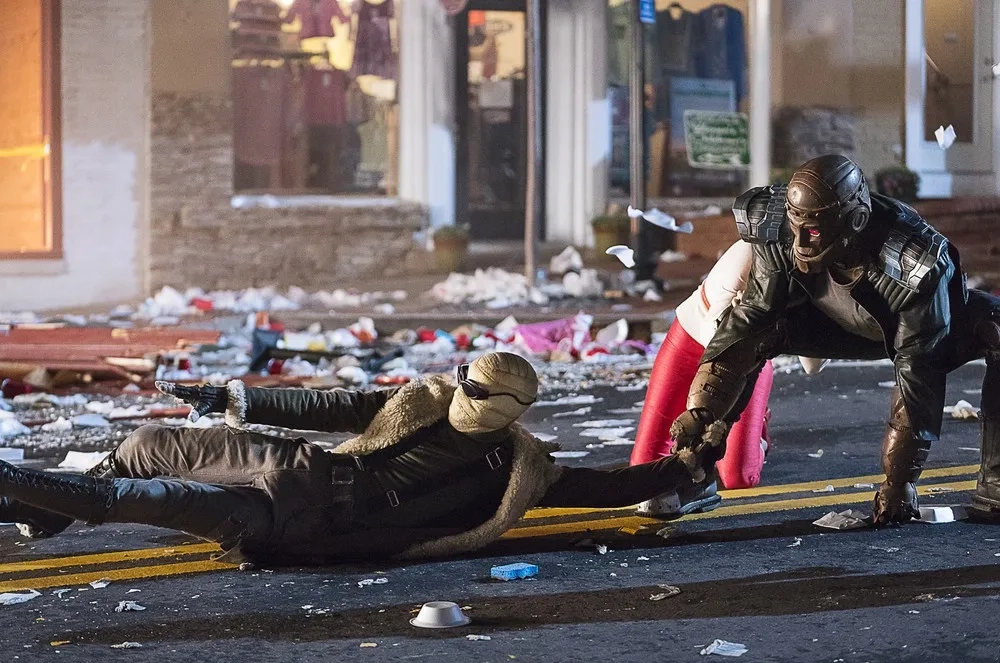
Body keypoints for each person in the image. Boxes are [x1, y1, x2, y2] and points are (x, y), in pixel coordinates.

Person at [0, 352, 721, 565]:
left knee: (150, 500)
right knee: (143, 446)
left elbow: (605, 485)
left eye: (480, 388)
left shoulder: (520, 467)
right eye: (468, 376)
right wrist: (225, 394)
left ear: (508, 411)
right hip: (297, 468)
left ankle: (21, 488)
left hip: (295, 523)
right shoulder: (427, 398)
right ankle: (44, 508)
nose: (463, 386)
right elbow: (330, 407)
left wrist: (683, 467)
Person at [666, 154, 1000, 526]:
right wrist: (700, 413)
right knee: (755, 329)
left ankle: (996, 483)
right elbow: (753, 318)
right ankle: (697, 468)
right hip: (828, 322)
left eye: (814, 229)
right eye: (799, 227)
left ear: (854, 220)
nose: (803, 240)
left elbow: (918, 368)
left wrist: (899, 481)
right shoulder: (775, 223)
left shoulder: (912, 262)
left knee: (996, 327)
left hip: (916, 329)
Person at [630, 239, 828, 518]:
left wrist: (819, 312)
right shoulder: (751, 249)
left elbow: (813, 363)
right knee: (643, 470)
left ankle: (757, 430)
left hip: (751, 355)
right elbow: (720, 341)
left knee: (738, 477)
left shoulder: (823, 269)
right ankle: (726, 437)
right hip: (699, 339)